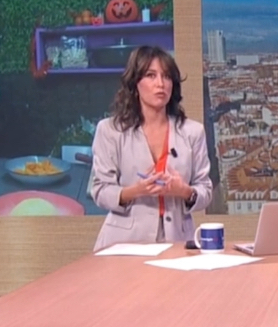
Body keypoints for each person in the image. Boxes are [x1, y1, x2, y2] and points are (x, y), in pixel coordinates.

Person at [89, 46, 213, 251]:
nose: (160, 84)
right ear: (135, 83)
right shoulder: (110, 131)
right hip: (124, 244)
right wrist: (136, 190)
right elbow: (100, 190)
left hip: (178, 242)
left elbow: (205, 190)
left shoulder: (193, 132)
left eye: (167, 76)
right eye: (151, 75)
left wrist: (184, 191)